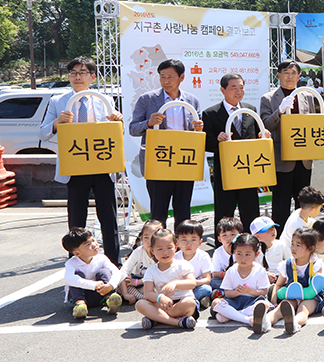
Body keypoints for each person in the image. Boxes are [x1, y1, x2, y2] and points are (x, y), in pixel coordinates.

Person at [39, 56, 125, 265]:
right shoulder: (57, 101)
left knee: (108, 217)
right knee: (76, 219)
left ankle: (114, 262)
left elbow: (113, 131)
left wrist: (116, 120)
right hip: (75, 166)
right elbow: (42, 134)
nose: (77, 77)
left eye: (82, 72)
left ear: (92, 76)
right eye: (73, 73)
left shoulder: (104, 100)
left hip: (103, 166)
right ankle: (75, 262)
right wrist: (58, 122)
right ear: (68, 76)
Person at [128, 58, 203, 227]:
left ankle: (183, 247)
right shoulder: (147, 99)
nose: (166, 81)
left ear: (181, 77)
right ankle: (158, 248)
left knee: (183, 211)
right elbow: (133, 128)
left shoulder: (192, 101)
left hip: (184, 161)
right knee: (158, 211)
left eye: (170, 77)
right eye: (162, 77)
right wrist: (148, 123)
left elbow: (196, 133)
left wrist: (199, 128)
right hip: (159, 161)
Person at [201, 73, 268, 232]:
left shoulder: (250, 110)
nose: (239, 91)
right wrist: (217, 140)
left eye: (241, 87)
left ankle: (251, 243)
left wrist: (264, 136)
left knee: (250, 210)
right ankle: (224, 247)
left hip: (248, 170)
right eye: (233, 88)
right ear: (222, 90)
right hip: (225, 172)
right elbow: (205, 143)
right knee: (224, 212)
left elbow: (259, 135)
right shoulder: (210, 113)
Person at [262, 61, 320, 233]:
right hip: (282, 158)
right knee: (281, 203)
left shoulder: (307, 96)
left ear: (299, 76)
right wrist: (279, 111)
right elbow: (266, 125)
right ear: (278, 75)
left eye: (293, 73)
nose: (289, 76)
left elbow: (313, 123)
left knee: (304, 202)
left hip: (303, 158)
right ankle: (279, 239)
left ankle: (304, 236)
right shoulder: (268, 98)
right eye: (285, 72)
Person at [259, 227, 324, 335]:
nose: (293, 248)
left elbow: (319, 283)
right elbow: (278, 285)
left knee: (303, 309)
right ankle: (264, 322)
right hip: (292, 295)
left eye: (298, 245)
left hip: (312, 297)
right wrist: (274, 302)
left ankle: (294, 323)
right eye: (292, 244)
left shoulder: (316, 264)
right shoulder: (287, 264)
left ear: (310, 248)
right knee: (283, 307)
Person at [136, 229, 198, 330]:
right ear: (152, 250)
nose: (165, 252)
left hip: (181, 303)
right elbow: (148, 293)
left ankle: (157, 318)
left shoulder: (182, 264)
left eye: (169, 248)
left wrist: (175, 283)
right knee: (140, 304)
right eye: (160, 249)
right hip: (162, 303)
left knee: (190, 303)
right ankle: (178, 322)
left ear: (175, 247)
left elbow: (192, 283)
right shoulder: (151, 271)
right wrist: (160, 298)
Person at [211, 234, 271, 330]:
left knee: (263, 305)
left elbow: (263, 292)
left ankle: (230, 315)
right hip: (235, 301)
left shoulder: (260, 270)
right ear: (234, 252)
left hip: (252, 301)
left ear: (256, 254)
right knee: (216, 302)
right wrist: (236, 292)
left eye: (247, 254)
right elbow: (227, 292)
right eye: (239, 254)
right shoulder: (231, 270)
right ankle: (247, 320)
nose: (243, 258)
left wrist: (248, 291)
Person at [62, 227, 123, 319]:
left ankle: (110, 298)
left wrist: (110, 286)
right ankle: (80, 305)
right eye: (88, 244)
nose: (94, 245)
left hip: (100, 294)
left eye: (93, 240)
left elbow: (116, 272)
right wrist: (94, 285)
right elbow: (69, 278)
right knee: (77, 275)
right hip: (78, 297)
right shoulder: (72, 263)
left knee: (104, 272)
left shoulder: (102, 258)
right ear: (77, 253)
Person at [118, 219, 162, 304]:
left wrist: (139, 282)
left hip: (154, 285)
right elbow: (124, 271)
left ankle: (145, 298)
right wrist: (125, 293)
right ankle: (140, 297)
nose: (149, 241)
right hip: (138, 285)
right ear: (141, 238)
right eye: (146, 237)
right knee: (120, 280)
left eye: (153, 237)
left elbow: (161, 275)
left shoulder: (162, 252)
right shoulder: (139, 251)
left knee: (156, 285)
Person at [174, 219, 213, 310]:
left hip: (196, 287)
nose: (188, 244)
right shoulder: (175, 258)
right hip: (180, 288)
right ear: (177, 242)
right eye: (184, 240)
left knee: (207, 289)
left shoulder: (203, 256)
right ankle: (197, 301)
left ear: (200, 242)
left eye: (193, 240)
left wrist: (193, 283)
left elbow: (207, 279)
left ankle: (186, 302)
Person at [276, 186, 324, 251]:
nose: (319, 211)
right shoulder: (300, 227)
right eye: (319, 209)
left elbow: (310, 221)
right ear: (312, 210)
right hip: (290, 255)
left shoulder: (299, 211)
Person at [210, 217, 243, 293]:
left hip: (243, 278)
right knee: (213, 282)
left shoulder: (244, 249)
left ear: (240, 235)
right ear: (219, 239)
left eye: (232, 234)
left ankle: (222, 293)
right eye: (224, 235)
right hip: (226, 279)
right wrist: (226, 274)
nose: (229, 238)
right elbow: (214, 274)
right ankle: (225, 293)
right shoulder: (218, 252)